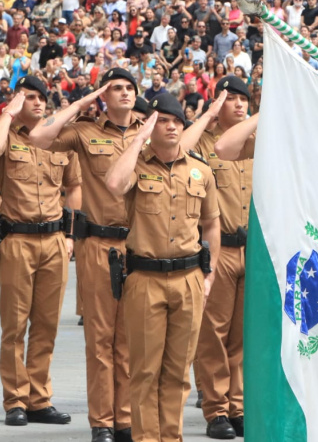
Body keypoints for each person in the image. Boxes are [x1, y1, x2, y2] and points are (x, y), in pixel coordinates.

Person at [27, 67, 141, 442]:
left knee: (129, 340)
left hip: (140, 246)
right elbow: (39, 137)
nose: (123, 93)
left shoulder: (150, 131)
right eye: (115, 89)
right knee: (101, 338)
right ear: (103, 97)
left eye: (129, 88)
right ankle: (103, 422)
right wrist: (81, 102)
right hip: (98, 245)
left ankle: (125, 420)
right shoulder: (85, 131)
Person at [104, 93, 220, 442]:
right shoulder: (136, 166)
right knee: (144, 371)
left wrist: (210, 273)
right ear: (151, 125)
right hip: (145, 279)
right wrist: (139, 138)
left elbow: (212, 224)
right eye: (163, 121)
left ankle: (171, 437)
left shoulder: (201, 171)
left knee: (177, 372)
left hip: (188, 279)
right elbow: (112, 185)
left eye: (176, 122)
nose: (171, 127)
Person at [0, 76, 81, 428]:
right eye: (30, 97)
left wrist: (71, 236)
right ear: (16, 102)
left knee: (47, 324)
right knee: (15, 324)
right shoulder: (5, 135)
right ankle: (15, 400)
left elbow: (74, 187)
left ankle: (39, 398)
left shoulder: (58, 139)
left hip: (55, 240)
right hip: (17, 239)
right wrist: (8, 116)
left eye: (42, 97)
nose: (39, 103)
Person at [181, 78, 252, 439]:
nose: (239, 106)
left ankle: (238, 406)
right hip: (218, 248)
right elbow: (177, 145)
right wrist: (206, 115)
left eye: (244, 99)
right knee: (213, 334)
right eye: (231, 99)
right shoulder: (203, 146)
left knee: (241, 336)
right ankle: (216, 409)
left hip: (251, 248)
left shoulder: (257, 144)